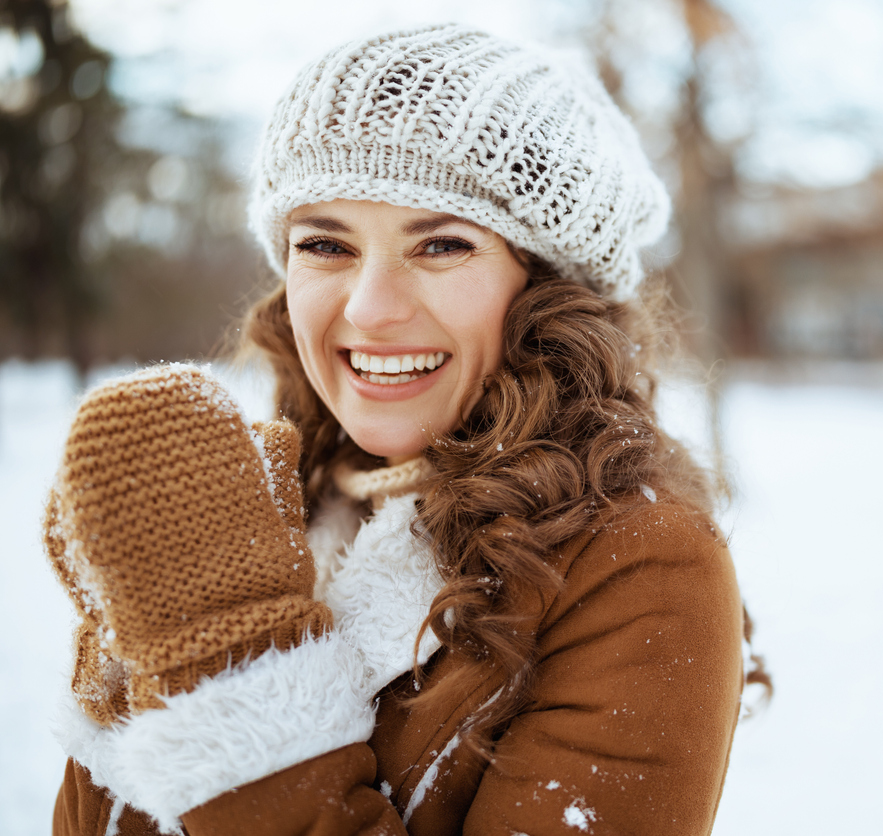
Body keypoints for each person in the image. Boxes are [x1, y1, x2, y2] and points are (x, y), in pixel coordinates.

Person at [46, 24, 767, 836]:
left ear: (549, 288)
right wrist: (130, 653)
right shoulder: (267, 508)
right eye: (324, 244)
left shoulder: (639, 565)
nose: (369, 309)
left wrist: (228, 677)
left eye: (442, 245)